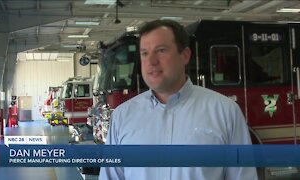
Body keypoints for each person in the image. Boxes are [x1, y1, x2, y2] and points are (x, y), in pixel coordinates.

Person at [99, 19, 258, 180]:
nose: (151, 61)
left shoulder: (225, 112)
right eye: (145, 53)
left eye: (161, 50)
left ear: (185, 55)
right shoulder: (122, 117)